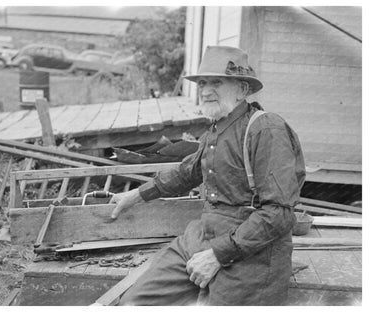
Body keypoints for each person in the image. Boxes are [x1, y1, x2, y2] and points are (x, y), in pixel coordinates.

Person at [109, 46, 306, 306]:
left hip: (254, 248)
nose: (206, 90)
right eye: (202, 82)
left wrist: (218, 255)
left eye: (217, 82)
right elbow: (190, 171)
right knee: (134, 302)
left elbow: (279, 214)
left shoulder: (266, 129)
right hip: (202, 235)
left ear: (242, 90)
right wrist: (135, 194)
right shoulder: (217, 126)